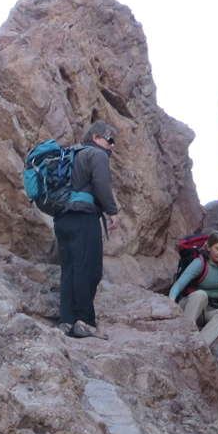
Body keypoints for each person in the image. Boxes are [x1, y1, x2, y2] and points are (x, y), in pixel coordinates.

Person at [55, 121, 121, 338]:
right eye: (109, 139)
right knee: (89, 269)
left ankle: (66, 321)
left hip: (62, 218)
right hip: (83, 217)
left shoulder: (70, 154)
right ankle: (84, 321)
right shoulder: (97, 155)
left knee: (69, 269)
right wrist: (112, 211)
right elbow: (101, 184)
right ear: (95, 137)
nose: (112, 145)